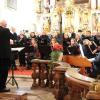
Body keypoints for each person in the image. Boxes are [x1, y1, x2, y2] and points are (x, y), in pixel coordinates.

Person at [0, 20, 14, 92]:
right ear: (5, 24)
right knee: (4, 71)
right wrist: (13, 31)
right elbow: (14, 37)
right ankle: (2, 87)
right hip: (4, 55)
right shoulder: (6, 30)